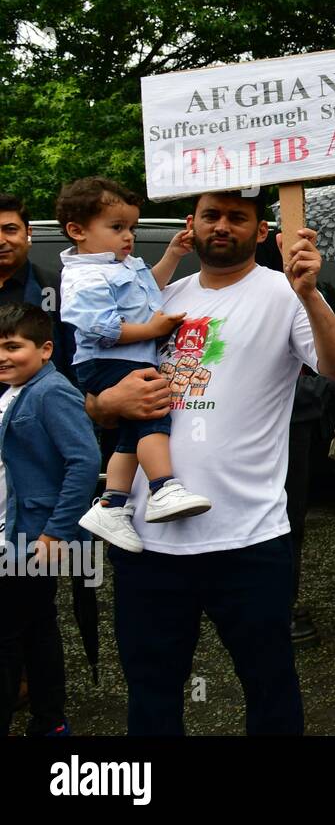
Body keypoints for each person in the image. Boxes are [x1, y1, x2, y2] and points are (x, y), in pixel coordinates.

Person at [84, 190, 335, 735]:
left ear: (261, 231)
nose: (222, 226)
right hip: (147, 541)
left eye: (238, 217)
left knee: (270, 690)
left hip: (248, 540)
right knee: (151, 695)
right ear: (192, 224)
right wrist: (103, 405)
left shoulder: (285, 294)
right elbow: (94, 383)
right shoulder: (159, 295)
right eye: (212, 215)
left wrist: (309, 295)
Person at [55, 177, 211, 554]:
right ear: (77, 231)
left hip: (124, 359)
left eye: (131, 228)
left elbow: (149, 292)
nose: (128, 237)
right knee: (156, 414)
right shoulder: (85, 275)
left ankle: (110, 504)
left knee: (130, 435)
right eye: (117, 227)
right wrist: (152, 328)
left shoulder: (121, 266)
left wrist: (173, 255)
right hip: (107, 361)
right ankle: (162, 488)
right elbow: (100, 327)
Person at [0, 304, 99, 736]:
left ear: (45, 350)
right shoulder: (15, 389)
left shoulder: (50, 391)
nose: (2, 357)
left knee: (9, 636)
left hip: (32, 539)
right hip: (15, 533)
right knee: (36, 625)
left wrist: (55, 533)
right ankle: (50, 721)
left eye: (11, 346)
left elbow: (84, 461)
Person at [0, 193, 75, 376]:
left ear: (28, 233)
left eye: (9, 229)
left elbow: (76, 361)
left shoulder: (57, 288)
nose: (1, 241)